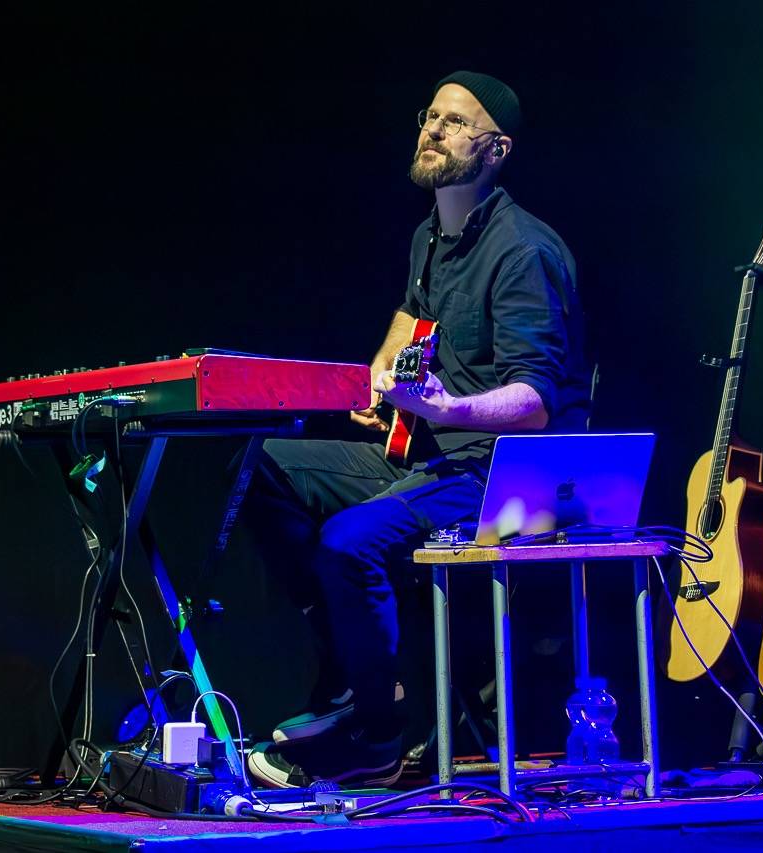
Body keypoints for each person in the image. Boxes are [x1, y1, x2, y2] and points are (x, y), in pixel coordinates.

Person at [246, 70, 592, 788]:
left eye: (455, 122)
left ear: (495, 150)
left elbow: (535, 401)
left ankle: (377, 733)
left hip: (498, 475)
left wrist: (445, 408)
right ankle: (354, 675)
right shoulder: (429, 235)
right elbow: (413, 312)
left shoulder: (523, 250)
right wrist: (382, 377)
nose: (433, 129)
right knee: (259, 465)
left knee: (349, 541)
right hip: (430, 454)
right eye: (430, 116)